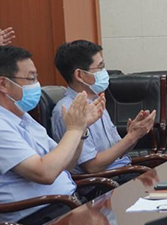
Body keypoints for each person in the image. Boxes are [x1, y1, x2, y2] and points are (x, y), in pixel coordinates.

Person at [0, 46, 103, 225]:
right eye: (31, 79)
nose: (37, 84)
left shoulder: (23, 117)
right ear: (3, 84)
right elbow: (45, 173)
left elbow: (66, 164)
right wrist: (74, 129)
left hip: (65, 206)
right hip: (35, 221)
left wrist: (81, 130)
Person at [51, 40, 156, 176]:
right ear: (80, 75)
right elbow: (93, 167)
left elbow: (118, 152)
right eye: (100, 67)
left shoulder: (95, 99)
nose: (104, 72)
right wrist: (131, 137)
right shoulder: (69, 110)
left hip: (123, 171)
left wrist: (134, 133)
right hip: (104, 181)